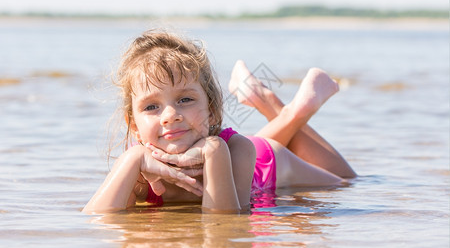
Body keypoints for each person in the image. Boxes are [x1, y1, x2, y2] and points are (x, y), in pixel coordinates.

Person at [83, 29, 356, 214]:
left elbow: (223, 224)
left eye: (185, 100)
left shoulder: (238, 150)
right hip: (229, 145)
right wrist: (132, 160)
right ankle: (270, 102)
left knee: (346, 181)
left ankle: (286, 109)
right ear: (134, 126)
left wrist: (214, 152)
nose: (170, 115)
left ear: (212, 110)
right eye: (152, 106)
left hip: (265, 164)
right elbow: (97, 220)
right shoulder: (138, 163)